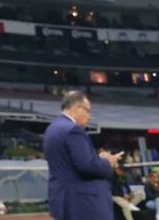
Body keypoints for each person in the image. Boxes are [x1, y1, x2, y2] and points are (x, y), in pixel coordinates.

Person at [42, 91, 119, 220]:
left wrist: (98, 158)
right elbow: (87, 166)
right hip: (83, 203)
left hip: (63, 198)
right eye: (87, 111)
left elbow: (71, 163)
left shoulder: (53, 128)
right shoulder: (73, 130)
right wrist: (108, 162)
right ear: (77, 108)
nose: (89, 116)